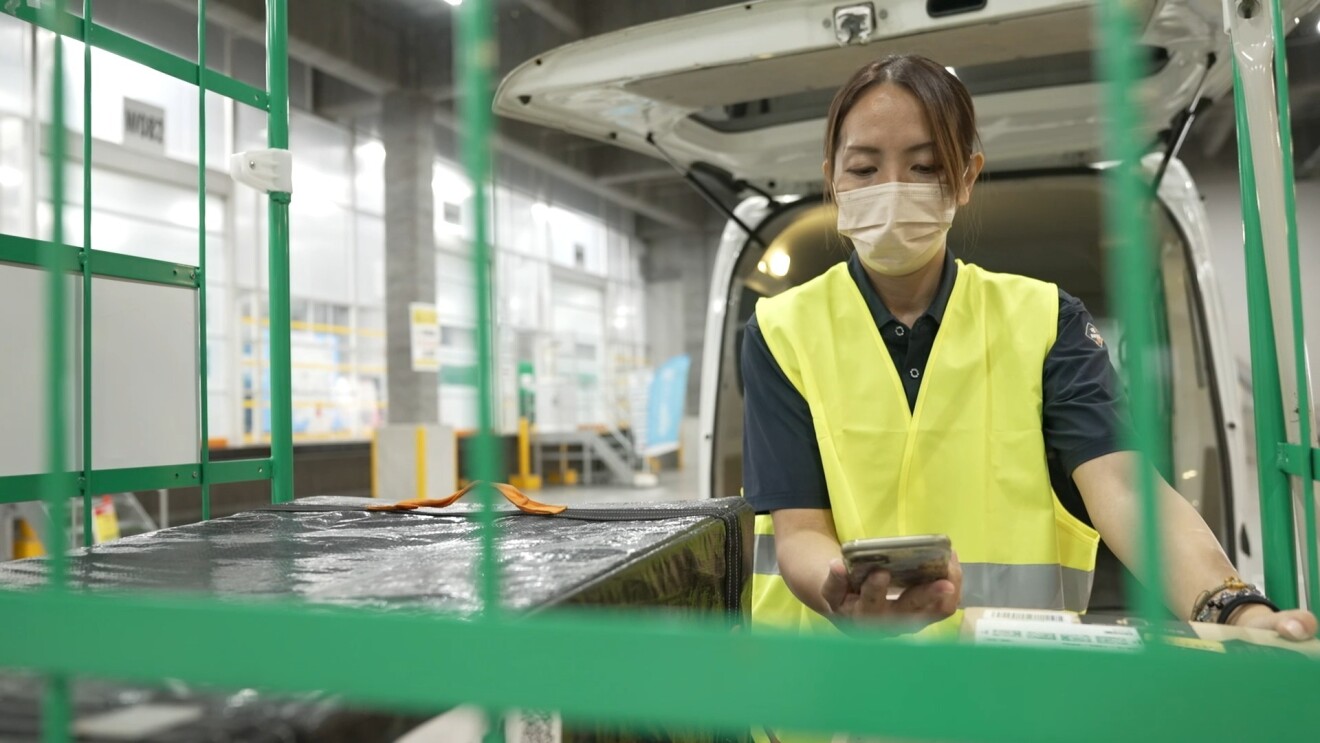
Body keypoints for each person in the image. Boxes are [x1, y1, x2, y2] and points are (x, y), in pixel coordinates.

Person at [741, 54, 1318, 642]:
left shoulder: (1047, 322)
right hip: (830, 705)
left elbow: (1123, 488)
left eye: (925, 165)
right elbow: (798, 530)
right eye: (864, 169)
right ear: (831, 179)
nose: (892, 189)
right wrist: (844, 593)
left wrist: (1233, 607)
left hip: (1007, 695)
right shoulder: (781, 330)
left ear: (966, 177)